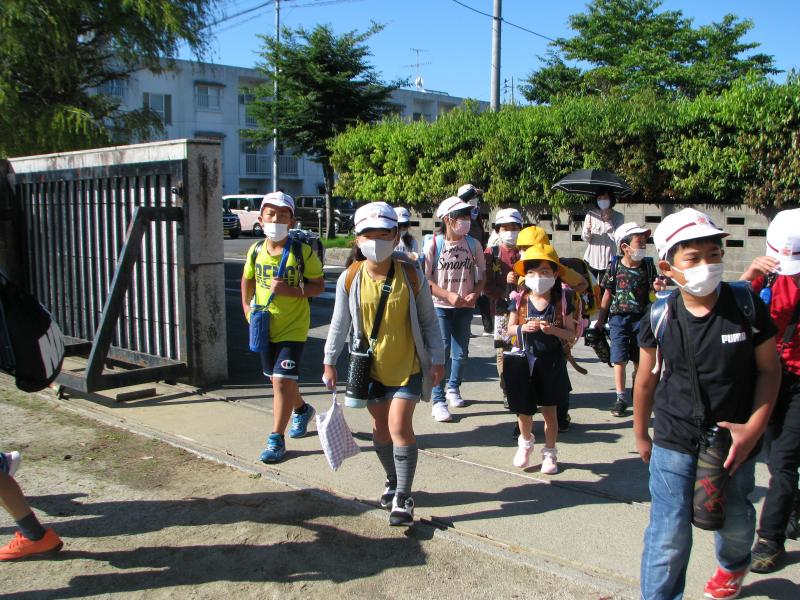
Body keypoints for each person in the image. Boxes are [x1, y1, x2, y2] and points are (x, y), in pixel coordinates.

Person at [633, 208, 781, 600]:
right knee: (668, 532)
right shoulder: (660, 314)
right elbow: (645, 380)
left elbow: (770, 370)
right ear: (668, 267)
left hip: (734, 442)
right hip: (673, 437)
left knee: (734, 521)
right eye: (693, 258)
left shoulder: (746, 306)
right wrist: (641, 433)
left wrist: (753, 429)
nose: (707, 265)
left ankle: (733, 565)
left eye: (714, 255)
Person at [323, 202, 445, 526]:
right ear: (357, 238)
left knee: (399, 426)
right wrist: (329, 361)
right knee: (380, 429)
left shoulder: (412, 275)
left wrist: (438, 358)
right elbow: (339, 323)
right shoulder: (350, 277)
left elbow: (429, 322)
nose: (376, 241)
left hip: (408, 367)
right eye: (369, 234)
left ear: (395, 236)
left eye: (383, 233)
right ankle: (392, 477)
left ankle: (404, 496)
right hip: (370, 369)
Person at [241, 191, 325, 463]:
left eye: (282, 215)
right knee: (279, 380)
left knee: (280, 381)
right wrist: (246, 308)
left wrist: (292, 291)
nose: (276, 220)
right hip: (264, 326)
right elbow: (247, 279)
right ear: (261, 219)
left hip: (294, 328)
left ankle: (276, 439)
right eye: (270, 214)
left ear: (292, 221)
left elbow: (318, 286)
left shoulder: (302, 252)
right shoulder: (255, 250)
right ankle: (301, 410)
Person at [739, 208, 800, 573]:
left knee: (783, 462)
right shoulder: (769, 274)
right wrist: (749, 278)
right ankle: (791, 507)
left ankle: (770, 539)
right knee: (775, 454)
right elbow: (731, 313)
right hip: (771, 375)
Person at [505, 244, 576, 474]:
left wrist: (553, 330)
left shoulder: (562, 299)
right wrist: (523, 328)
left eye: (544, 272)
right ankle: (525, 443)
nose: (538, 277)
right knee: (524, 411)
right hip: (524, 363)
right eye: (532, 272)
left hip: (551, 363)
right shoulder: (519, 298)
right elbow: (509, 328)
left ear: (555, 274)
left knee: (550, 412)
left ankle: (550, 453)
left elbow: (571, 332)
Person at [424, 196, 486, 422]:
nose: (466, 220)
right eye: (461, 216)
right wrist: (447, 295)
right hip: (440, 307)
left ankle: (453, 387)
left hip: (465, 307)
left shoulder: (473, 244)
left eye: (467, 215)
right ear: (448, 220)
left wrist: (475, 294)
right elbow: (425, 280)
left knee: (461, 353)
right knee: (441, 352)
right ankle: (438, 400)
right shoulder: (433, 245)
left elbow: (482, 275)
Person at [594, 223, 659, 417]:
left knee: (640, 361)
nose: (643, 246)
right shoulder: (614, 266)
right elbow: (607, 294)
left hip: (643, 320)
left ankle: (638, 391)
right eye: (639, 242)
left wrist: (658, 289)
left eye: (645, 242)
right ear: (625, 247)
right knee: (619, 359)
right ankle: (620, 398)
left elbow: (653, 292)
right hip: (618, 319)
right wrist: (600, 320)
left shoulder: (648, 265)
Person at [483, 209, 524, 408]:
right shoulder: (491, 254)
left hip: (526, 309)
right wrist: (504, 291)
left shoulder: (528, 251)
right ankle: (507, 389)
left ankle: (525, 387)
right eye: (505, 228)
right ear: (498, 230)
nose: (510, 232)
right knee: (503, 351)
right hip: (501, 310)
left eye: (514, 227)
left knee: (524, 348)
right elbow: (486, 285)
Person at [458, 184, 493, 335]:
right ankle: (464, 328)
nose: (475, 200)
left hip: (477, 256)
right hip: (464, 258)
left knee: (480, 292)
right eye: (472, 197)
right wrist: (472, 192)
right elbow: (460, 200)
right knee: (466, 292)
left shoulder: (475, 213)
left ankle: (488, 327)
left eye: (476, 198)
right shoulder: (459, 213)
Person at [581, 191, 624, 285]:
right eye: (599, 198)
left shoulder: (619, 216)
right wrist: (587, 230)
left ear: (611, 199)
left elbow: (617, 238)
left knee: (605, 289)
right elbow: (585, 238)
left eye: (605, 198)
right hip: (591, 258)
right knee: (588, 287)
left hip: (609, 260)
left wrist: (608, 221)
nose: (602, 201)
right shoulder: (590, 214)